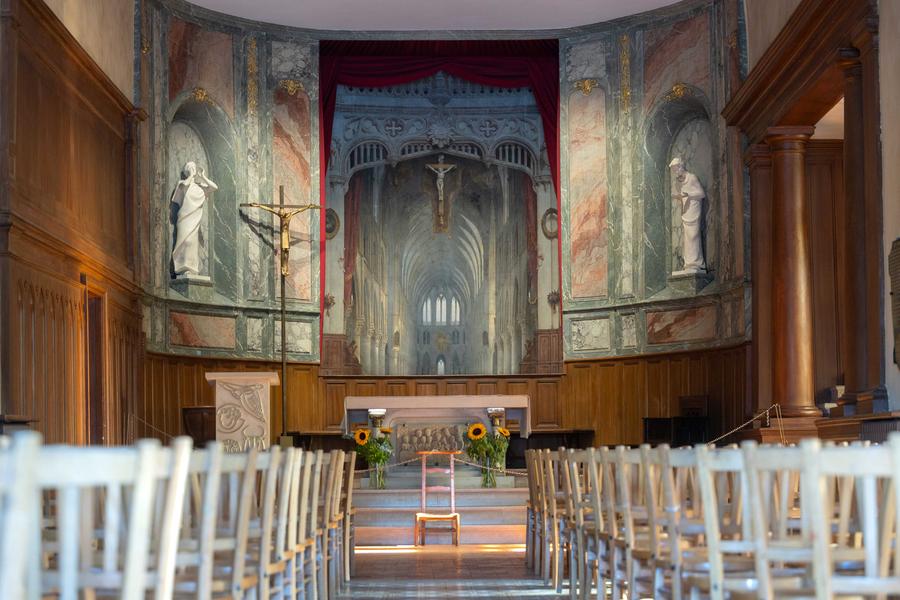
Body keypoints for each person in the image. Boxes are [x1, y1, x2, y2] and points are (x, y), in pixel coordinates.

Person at [171, 161, 218, 277]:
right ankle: (181, 267)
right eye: (190, 167)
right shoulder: (183, 184)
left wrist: (203, 177)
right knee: (185, 241)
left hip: (195, 220)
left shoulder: (199, 187)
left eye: (194, 167)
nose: (193, 169)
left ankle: (191, 269)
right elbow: (184, 186)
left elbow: (214, 187)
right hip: (184, 219)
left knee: (192, 244)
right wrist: (191, 176)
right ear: (186, 171)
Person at [669, 157, 706, 274]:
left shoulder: (692, 178)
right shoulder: (679, 182)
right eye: (674, 170)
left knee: (694, 236)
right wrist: (678, 196)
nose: (675, 172)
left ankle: (697, 263)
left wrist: (688, 195)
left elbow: (701, 194)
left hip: (694, 210)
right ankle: (689, 264)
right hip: (686, 211)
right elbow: (683, 196)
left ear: (681, 167)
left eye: (676, 169)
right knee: (687, 238)